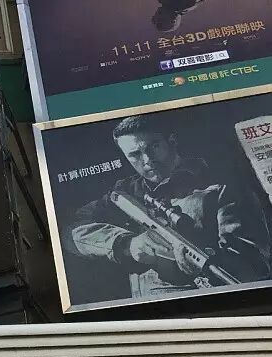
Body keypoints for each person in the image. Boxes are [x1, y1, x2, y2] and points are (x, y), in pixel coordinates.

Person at [61, 114, 270, 301]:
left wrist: (196, 261)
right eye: (135, 154)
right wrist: (127, 244)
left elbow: (253, 266)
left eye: (153, 147)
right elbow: (71, 230)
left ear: (172, 141)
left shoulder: (219, 187)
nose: (147, 160)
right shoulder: (125, 193)